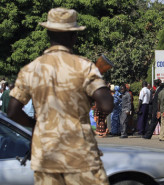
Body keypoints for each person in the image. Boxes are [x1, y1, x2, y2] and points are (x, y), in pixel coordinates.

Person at [7, 8, 113, 185]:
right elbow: (107, 105)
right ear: (74, 36)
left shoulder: (31, 69)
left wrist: (36, 125)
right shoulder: (84, 67)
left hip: (46, 155)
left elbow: (12, 111)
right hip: (80, 155)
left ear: (48, 34)